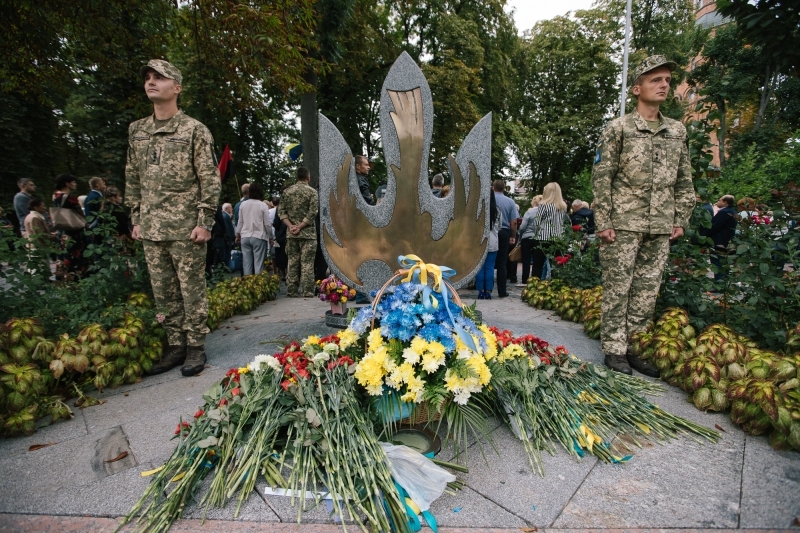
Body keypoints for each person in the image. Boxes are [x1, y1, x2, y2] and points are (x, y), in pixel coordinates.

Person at [592, 55, 695, 377]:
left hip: (660, 224)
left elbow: (684, 179)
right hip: (623, 223)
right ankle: (614, 350)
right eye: (656, 80)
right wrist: (604, 221)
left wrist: (680, 218)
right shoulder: (618, 129)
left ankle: (635, 349)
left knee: (647, 291)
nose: (664, 85)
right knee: (618, 288)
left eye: (667, 80)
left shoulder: (676, 131)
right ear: (637, 89)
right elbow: (602, 176)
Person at [126, 59, 221, 377]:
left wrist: (204, 221)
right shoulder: (137, 131)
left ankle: (196, 348)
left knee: (191, 289)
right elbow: (132, 177)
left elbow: (209, 179)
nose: (151, 82)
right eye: (148, 78)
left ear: (176, 88)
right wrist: (136, 218)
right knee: (163, 292)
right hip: (152, 228)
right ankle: (175, 345)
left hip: (185, 227)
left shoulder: (194, 130)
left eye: (160, 78)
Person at [519, 182, 569, 285]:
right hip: (557, 238)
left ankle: (535, 286)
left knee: (538, 264)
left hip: (543, 237)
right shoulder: (563, 206)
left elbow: (537, 222)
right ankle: (557, 285)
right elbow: (564, 222)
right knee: (557, 263)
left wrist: (538, 233)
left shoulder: (543, 205)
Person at [279, 167, 318, 297]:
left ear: (297, 177)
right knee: (307, 263)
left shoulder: (287, 192)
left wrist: (291, 226)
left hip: (291, 234)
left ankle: (292, 290)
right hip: (308, 234)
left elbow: (281, 212)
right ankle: (307, 291)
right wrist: (300, 226)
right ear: (308, 177)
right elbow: (313, 212)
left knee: (292, 261)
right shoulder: (312, 192)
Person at [52, 173, 88, 279]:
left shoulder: (55, 195)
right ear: (67, 184)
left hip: (62, 231)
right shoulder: (69, 198)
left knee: (63, 256)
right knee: (74, 256)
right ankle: (74, 278)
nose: (75, 184)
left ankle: (62, 278)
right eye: (73, 182)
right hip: (72, 231)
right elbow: (79, 214)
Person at [236, 182, 273, 275]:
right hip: (259, 236)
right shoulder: (263, 205)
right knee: (258, 264)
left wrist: (237, 235)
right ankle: (257, 285)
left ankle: (248, 285)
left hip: (245, 236)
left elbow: (240, 222)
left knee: (247, 264)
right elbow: (267, 224)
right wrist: (271, 237)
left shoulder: (243, 205)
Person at [492, 180, 519, 298]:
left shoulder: (489, 200)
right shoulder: (510, 202)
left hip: (490, 231)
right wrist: (513, 236)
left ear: (493, 187)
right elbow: (513, 222)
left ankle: (484, 288)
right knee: (502, 262)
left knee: (486, 260)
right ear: (504, 189)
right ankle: (502, 291)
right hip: (504, 232)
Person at [704, 195, 738, 281]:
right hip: (726, 240)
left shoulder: (724, 212)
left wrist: (705, 235)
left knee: (717, 262)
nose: (717, 202)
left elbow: (714, 226)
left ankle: (719, 282)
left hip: (718, 240)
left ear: (725, 202)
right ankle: (724, 281)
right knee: (723, 262)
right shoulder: (733, 211)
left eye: (720, 200)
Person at [476, 191, 501, 299]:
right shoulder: (497, 210)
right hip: (493, 241)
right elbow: (500, 226)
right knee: (490, 267)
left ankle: (480, 291)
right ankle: (488, 291)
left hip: (479, 241)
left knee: (480, 268)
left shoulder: (478, 208)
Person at [23, 198, 55, 279]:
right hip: (38, 245)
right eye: (43, 205)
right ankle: (40, 282)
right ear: (36, 207)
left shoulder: (32, 216)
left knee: (40, 264)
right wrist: (51, 237)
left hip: (37, 245)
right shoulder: (34, 218)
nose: (44, 207)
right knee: (39, 265)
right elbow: (39, 234)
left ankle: (44, 280)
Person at [271, 197, 288, 280]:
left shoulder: (279, 208)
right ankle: (288, 274)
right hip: (288, 234)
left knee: (279, 256)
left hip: (279, 236)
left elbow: (276, 222)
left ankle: (283, 274)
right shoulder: (291, 206)